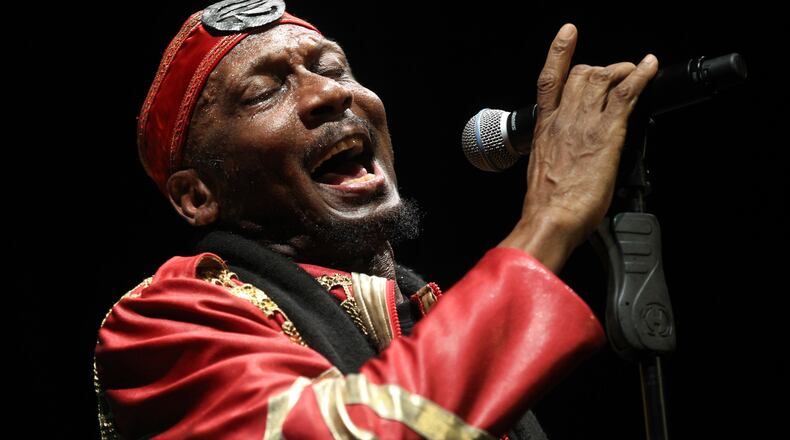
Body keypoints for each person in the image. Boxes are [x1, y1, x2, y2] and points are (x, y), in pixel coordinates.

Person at [92, 1, 659, 438]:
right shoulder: (163, 324)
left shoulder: (422, 311)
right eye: (264, 92)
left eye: (334, 67)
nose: (329, 94)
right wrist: (552, 218)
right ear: (197, 197)